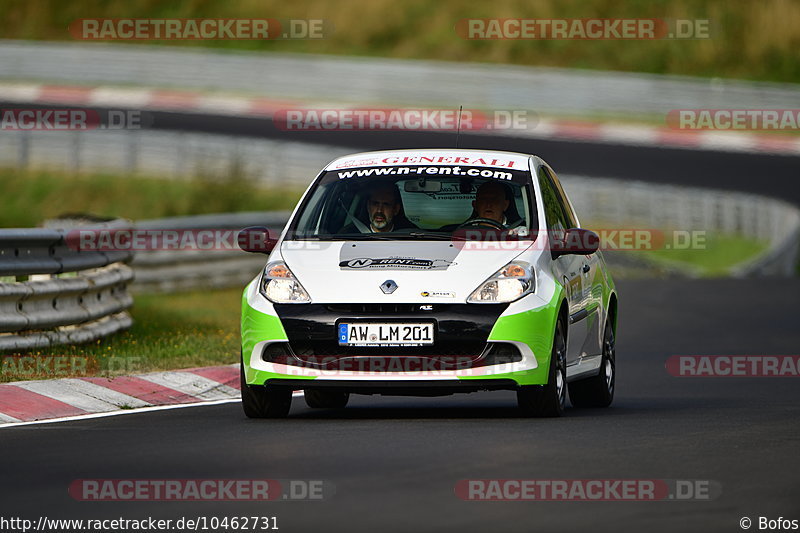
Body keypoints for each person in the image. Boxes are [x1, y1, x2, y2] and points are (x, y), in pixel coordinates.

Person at [339, 182, 415, 233]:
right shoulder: (348, 234)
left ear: (396, 209)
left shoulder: (411, 235)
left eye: (386, 204)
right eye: (375, 204)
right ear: (368, 206)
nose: (379, 210)